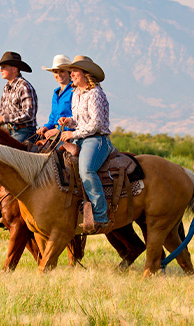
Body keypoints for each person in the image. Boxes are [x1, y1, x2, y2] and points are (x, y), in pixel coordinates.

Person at [58, 56, 113, 231]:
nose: (71, 74)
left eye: (75, 71)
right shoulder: (76, 94)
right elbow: (81, 121)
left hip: (97, 139)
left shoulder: (95, 93)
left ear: (85, 74)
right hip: (81, 137)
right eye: (72, 71)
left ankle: (100, 214)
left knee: (86, 170)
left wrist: (73, 133)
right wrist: (69, 121)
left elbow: (96, 124)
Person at [0, 51, 38, 142]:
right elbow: (2, 110)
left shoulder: (24, 86)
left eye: (3, 67)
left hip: (25, 132)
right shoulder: (6, 87)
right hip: (11, 131)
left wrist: (3, 119)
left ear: (14, 69)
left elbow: (28, 114)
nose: (0, 70)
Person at [37, 54, 74, 139]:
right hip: (56, 133)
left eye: (62, 71)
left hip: (69, 134)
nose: (58, 74)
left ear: (69, 73)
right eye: (56, 72)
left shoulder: (74, 91)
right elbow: (53, 116)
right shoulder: (56, 93)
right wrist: (46, 127)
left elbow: (76, 117)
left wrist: (58, 130)